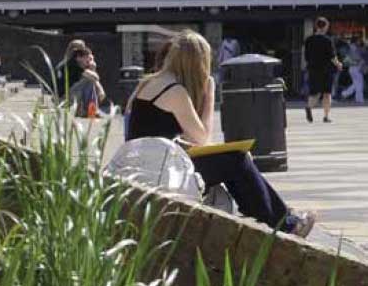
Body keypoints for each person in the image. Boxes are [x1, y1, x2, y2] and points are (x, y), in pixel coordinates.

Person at [127, 31, 316, 238]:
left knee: (233, 160)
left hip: (147, 167)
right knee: (236, 160)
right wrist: (209, 95)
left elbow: (152, 133)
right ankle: (285, 225)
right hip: (161, 173)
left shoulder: (147, 83)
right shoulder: (174, 91)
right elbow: (201, 138)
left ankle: (281, 217)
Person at [303, 17, 342, 123]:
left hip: (313, 69)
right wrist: (338, 64)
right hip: (326, 70)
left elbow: (306, 56)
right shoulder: (327, 40)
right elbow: (332, 56)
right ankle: (326, 116)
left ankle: (309, 107)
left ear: (316, 26)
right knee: (327, 93)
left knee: (314, 93)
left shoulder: (308, 40)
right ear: (325, 27)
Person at [67, 47, 106, 118]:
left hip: (74, 93)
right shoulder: (74, 65)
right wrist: (93, 68)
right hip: (64, 97)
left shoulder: (82, 67)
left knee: (90, 83)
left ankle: (88, 111)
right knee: (89, 81)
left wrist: (101, 90)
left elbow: (95, 80)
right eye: (88, 59)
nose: (90, 62)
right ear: (79, 58)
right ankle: (91, 111)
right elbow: (95, 77)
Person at [339, 34, 365, 104]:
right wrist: (360, 60)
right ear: (356, 41)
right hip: (356, 67)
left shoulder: (351, 47)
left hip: (353, 67)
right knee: (359, 83)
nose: (360, 41)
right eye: (359, 40)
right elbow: (355, 57)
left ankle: (345, 94)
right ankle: (359, 99)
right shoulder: (353, 47)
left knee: (357, 83)